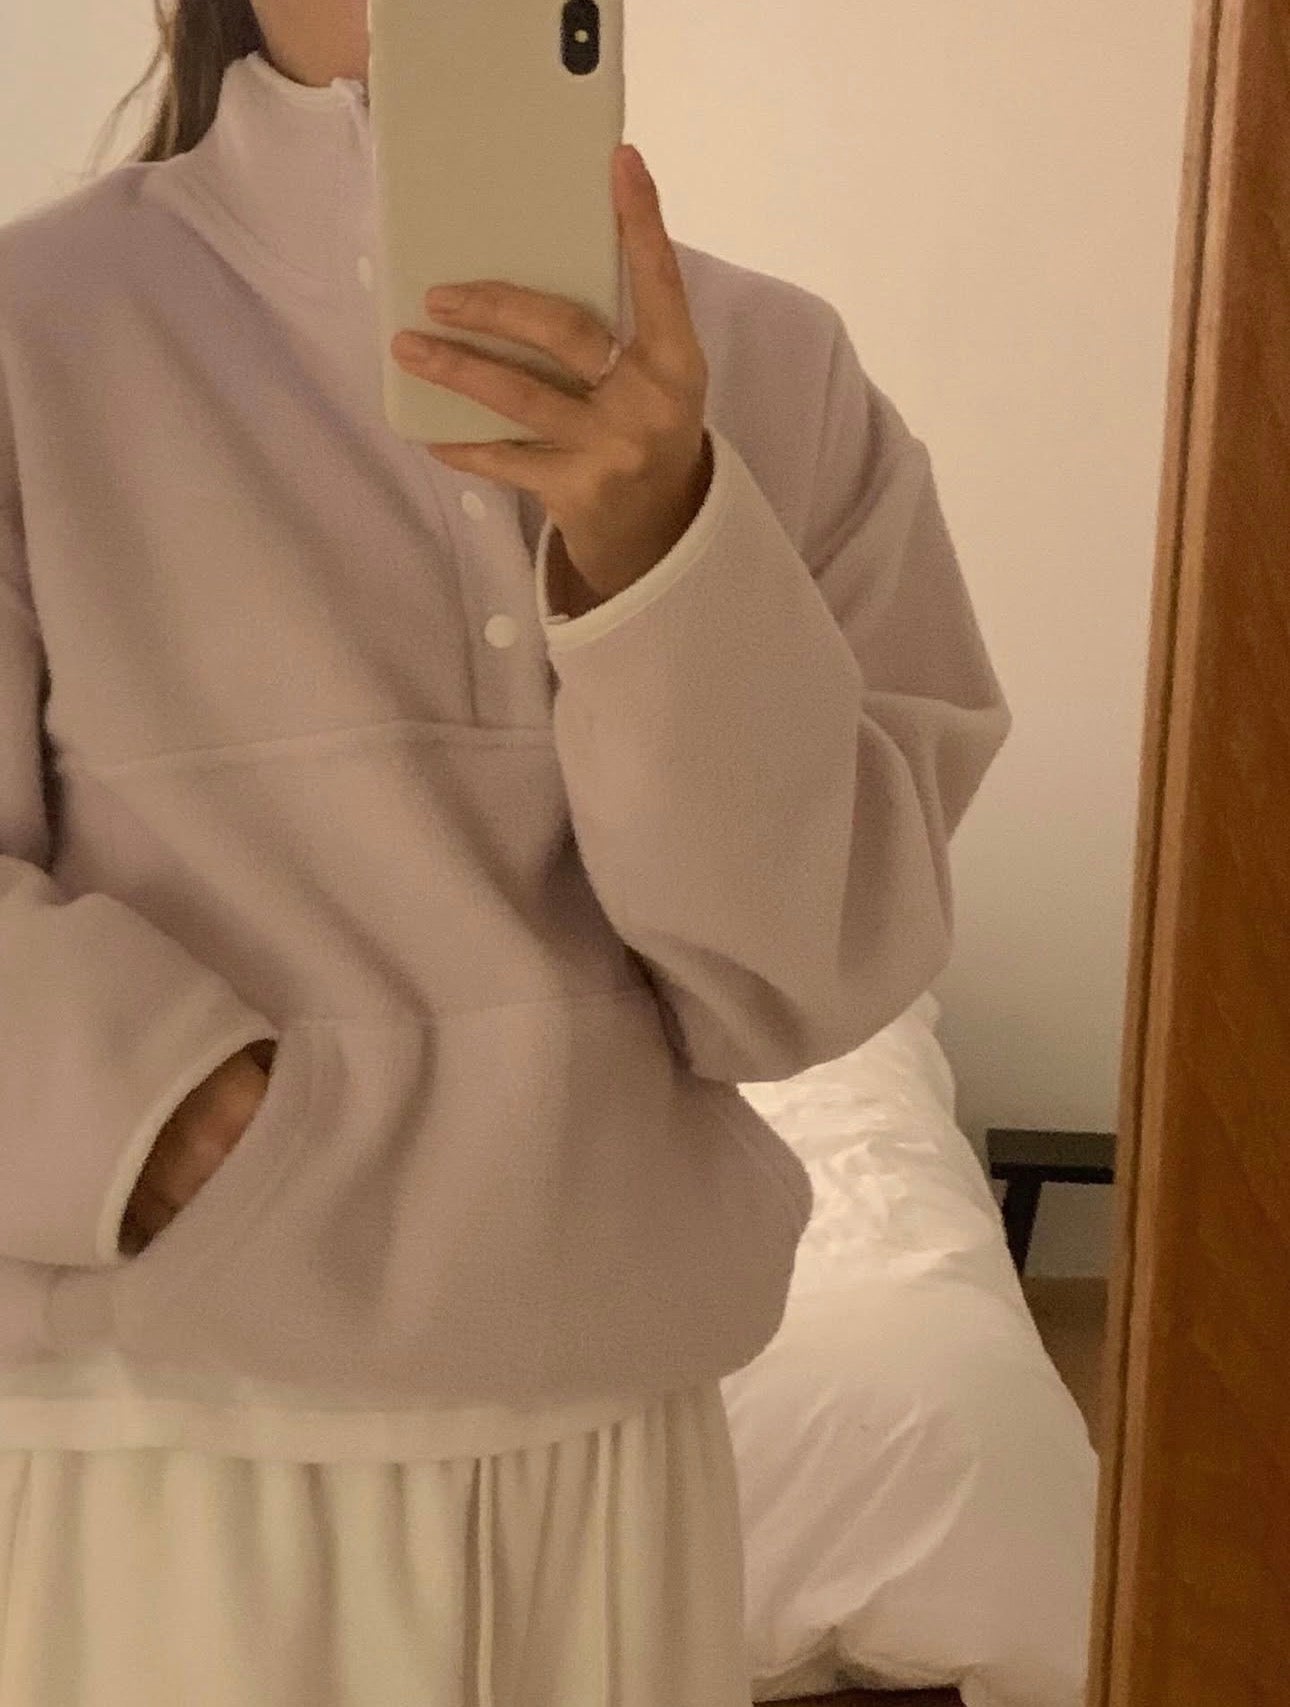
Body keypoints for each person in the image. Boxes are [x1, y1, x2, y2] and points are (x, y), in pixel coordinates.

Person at [0, 1, 1012, 1702]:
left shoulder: (780, 367)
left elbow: (804, 979)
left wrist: (660, 545)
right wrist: (165, 1122)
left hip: (615, 1430)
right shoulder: (37, 330)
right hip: (161, 1432)